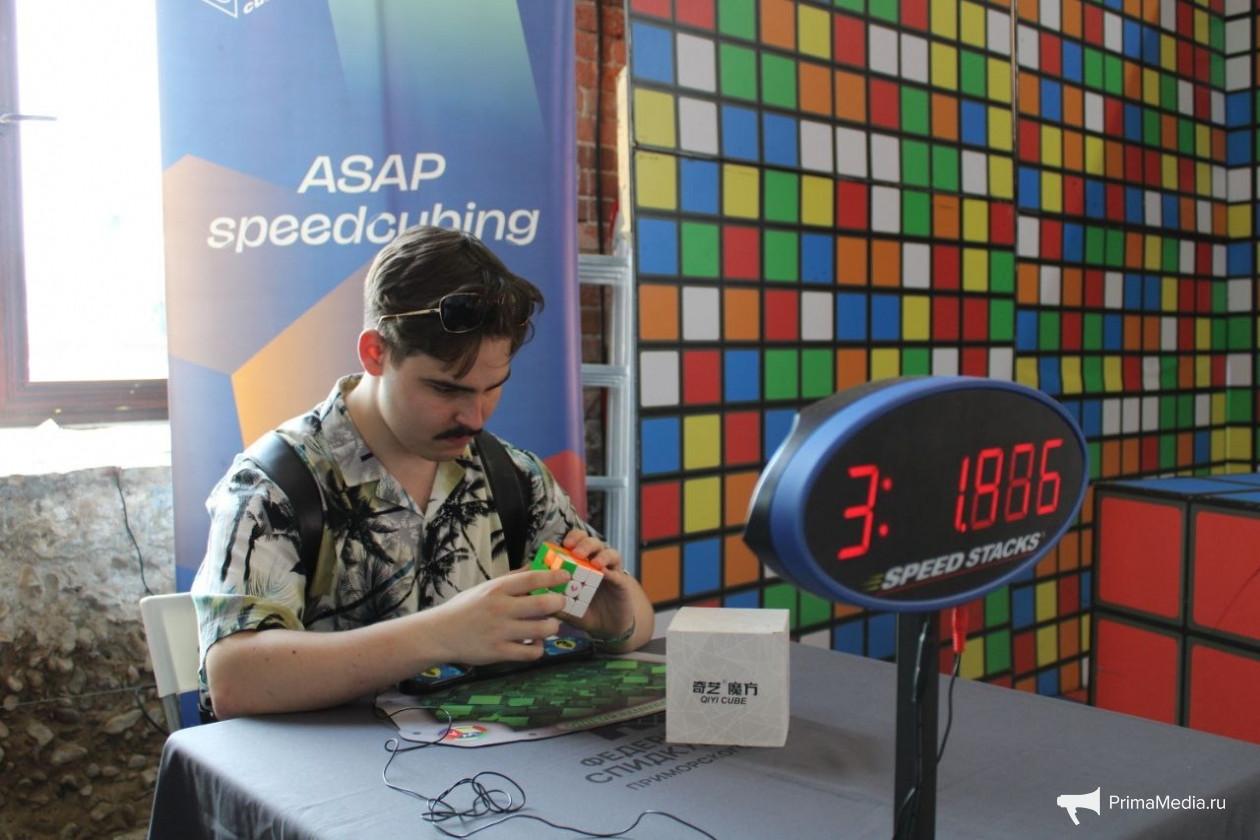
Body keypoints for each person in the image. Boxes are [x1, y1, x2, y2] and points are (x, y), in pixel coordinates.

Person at [191, 225, 654, 720]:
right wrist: (440, 635)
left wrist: (614, 618)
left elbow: (639, 620)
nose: (474, 418)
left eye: (493, 387)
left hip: (488, 757)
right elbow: (234, 680)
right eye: (447, 389)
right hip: (328, 769)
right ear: (376, 353)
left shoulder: (513, 477)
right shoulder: (275, 486)